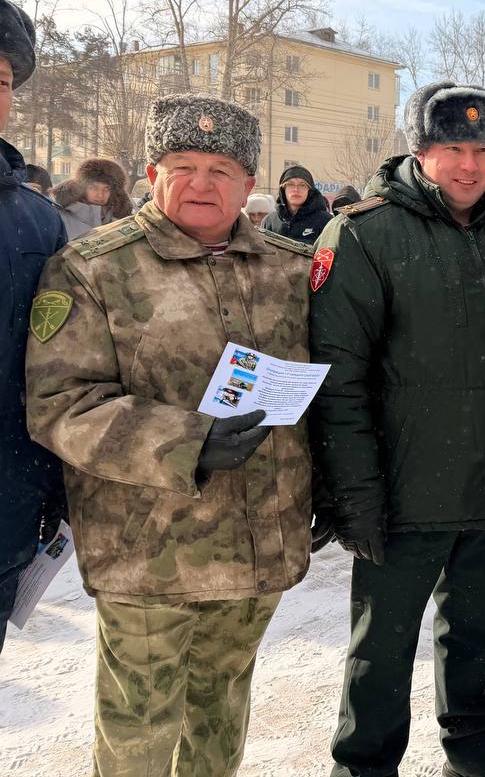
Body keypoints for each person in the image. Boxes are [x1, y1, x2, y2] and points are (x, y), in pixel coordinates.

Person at [25, 93, 319, 776]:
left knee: (221, 715)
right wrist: (187, 441)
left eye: (221, 170)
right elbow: (61, 403)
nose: (200, 184)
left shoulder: (291, 270)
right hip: (147, 550)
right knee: (139, 729)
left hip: (257, 543)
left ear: (249, 183)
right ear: (152, 174)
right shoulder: (93, 268)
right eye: (182, 166)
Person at [309, 80, 485, 777]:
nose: (469, 165)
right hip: (401, 495)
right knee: (381, 653)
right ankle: (364, 767)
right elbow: (337, 379)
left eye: (482, 150)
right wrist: (354, 493)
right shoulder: (365, 234)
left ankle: (471, 753)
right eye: (453, 149)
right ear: (420, 151)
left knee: (475, 637)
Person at [0, 0, 67, 652]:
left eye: (0, 81)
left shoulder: (38, 221)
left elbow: (57, 366)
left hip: (7, 510)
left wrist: (55, 482)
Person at [52, 157, 133, 240]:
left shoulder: (123, 220)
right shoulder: (60, 218)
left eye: (106, 189)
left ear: (113, 192)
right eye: (93, 188)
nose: (100, 195)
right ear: (82, 188)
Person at [261, 163, 332, 243]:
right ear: (283, 189)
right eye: (290, 184)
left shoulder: (326, 221)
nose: (296, 189)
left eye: (302, 185)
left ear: (310, 190)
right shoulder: (270, 221)